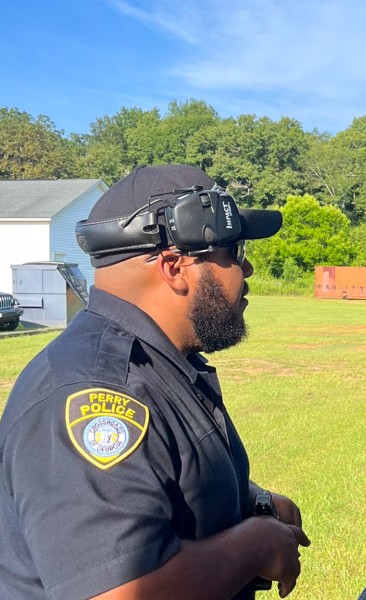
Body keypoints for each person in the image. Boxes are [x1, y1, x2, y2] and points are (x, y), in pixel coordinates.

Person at [0, 165, 311, 599]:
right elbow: (116, 592)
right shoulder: (96, 391)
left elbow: (170, 489)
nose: (249, 268)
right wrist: (254, 546)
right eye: (234, 252)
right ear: (174, 267)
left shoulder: (160, 362)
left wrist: (250, 502)